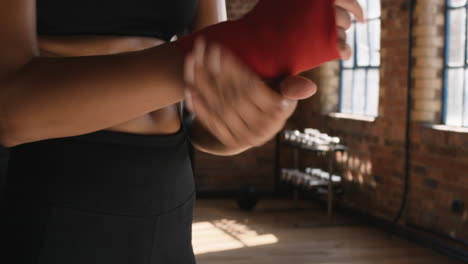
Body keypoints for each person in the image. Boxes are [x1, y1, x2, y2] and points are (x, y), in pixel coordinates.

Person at [0, 0, 364, 263]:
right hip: (51, 184)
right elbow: (9, 108)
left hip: (168, 192)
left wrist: (240, 122)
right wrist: (242, 46)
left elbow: (204, 116)